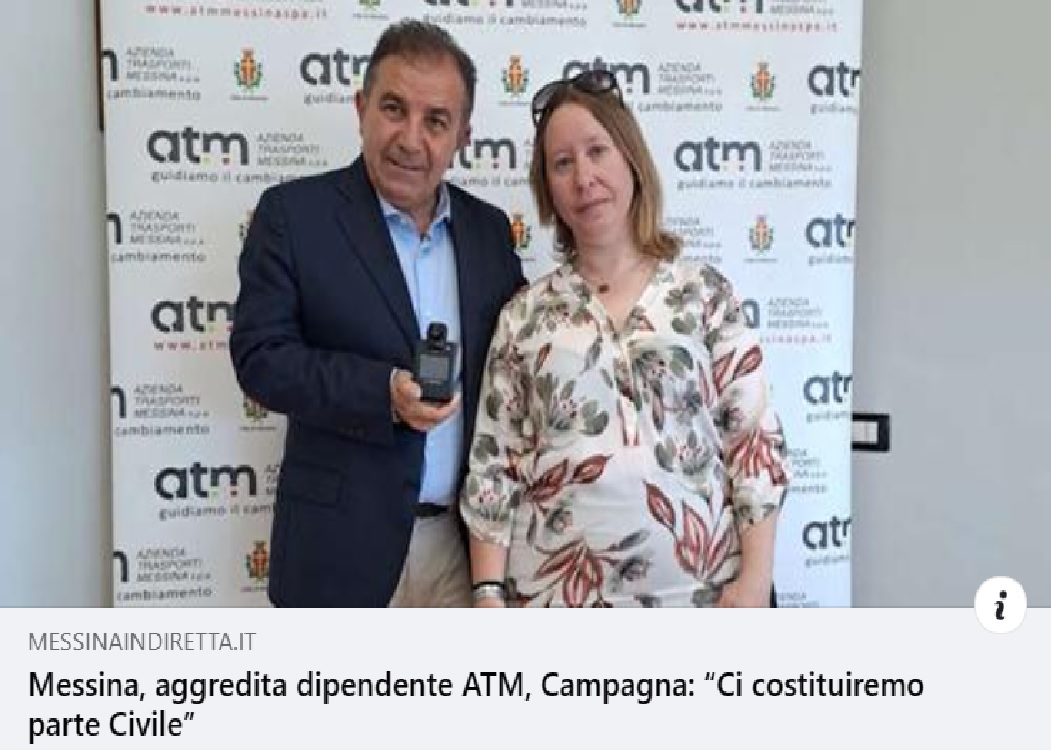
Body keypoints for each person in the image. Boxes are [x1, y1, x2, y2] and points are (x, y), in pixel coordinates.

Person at [460, 71, 789, 608]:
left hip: (703, 599)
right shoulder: (524, 316)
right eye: (562, 163)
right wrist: (487, 593)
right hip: (554, 603)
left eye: (597, 151)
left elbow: (754, 443)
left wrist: (755, 579)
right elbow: (495, 463)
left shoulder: (703, 294)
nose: (583, 177)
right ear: (547, 188)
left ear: (632, 160)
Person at [230, 20, 525, 607]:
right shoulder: (293, 215)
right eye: (393, 108)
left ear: (463, 136)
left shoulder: (490, 231)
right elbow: (261, 358)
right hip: (339, 550)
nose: (410, 140)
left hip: (467, 552)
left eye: (435, 121)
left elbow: (516, 370)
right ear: (361, 107)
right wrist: (382, 392)